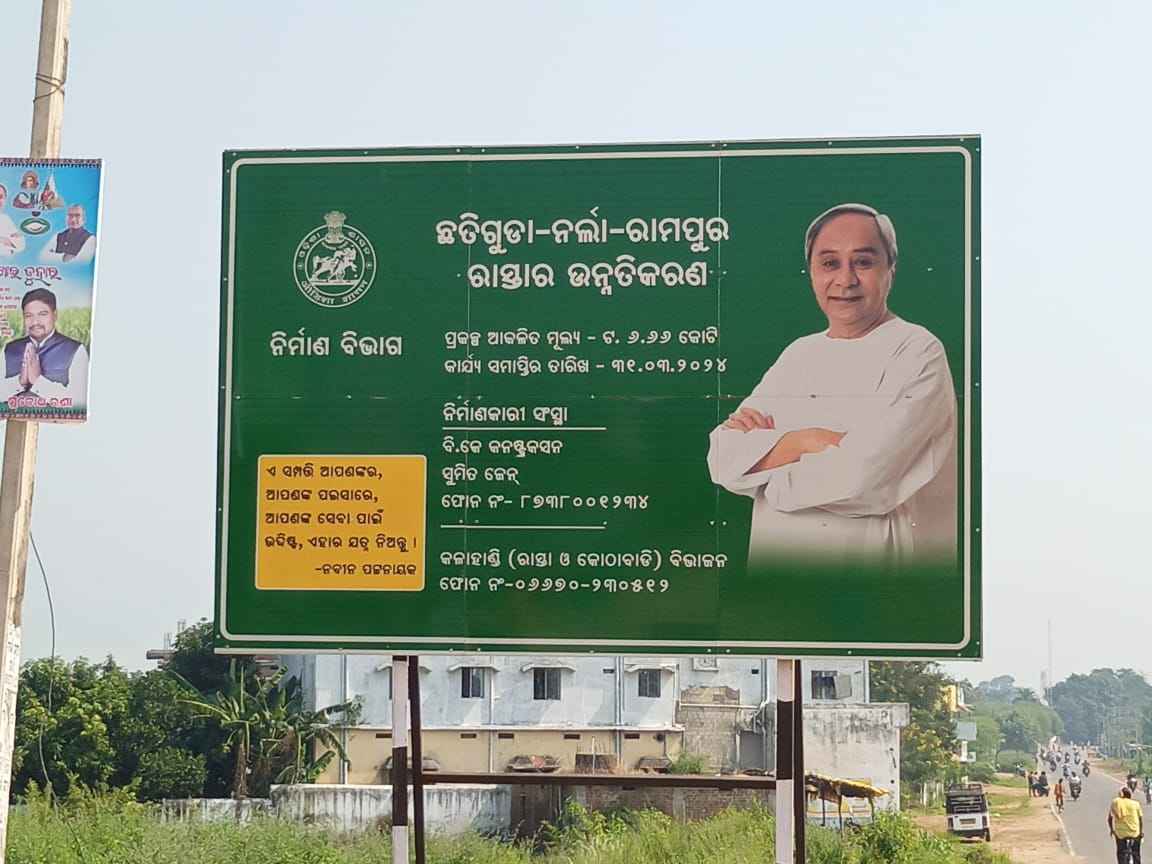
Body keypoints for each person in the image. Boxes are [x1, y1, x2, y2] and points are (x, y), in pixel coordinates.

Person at [707, 203, 957, 565]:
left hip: (868, 570)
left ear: (891, 269)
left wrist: (766, 477)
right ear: (811, 272)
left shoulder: (918, 350)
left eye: (863, 262)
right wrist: (807, 440)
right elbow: (722, 457)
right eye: (829, 263)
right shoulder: (799, 353)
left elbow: (863, 479)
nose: (845, 280)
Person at [0, 288, 89, 409]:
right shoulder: (8, 349)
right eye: (28, 316)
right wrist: (20, 381)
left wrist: (38, 381)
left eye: (42, 314)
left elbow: (79, 402)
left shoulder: (76, 350)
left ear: (55, 315)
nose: (35, 322)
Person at [1109, 786, 1143, 863]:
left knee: (1121, 852)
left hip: (1120, 833)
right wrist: (1140, 833)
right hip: (1134, 832)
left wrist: (1112, 830)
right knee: (1136, 852)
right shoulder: (1136, 804)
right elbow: (1140, 820)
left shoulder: (1116, 802)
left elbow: (1110, 819)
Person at [0, 185, 26, 258]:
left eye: (0, 197)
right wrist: (4, 240)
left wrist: (5, 240)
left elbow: (21, 244)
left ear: (5, 199)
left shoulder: (5, 219)